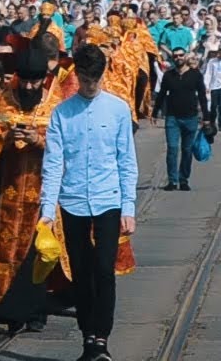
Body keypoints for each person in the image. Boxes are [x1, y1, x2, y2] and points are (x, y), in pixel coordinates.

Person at [40, 44, 137, 361]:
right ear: (77, 76)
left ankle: (102, 338)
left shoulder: (118, 109)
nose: (90, 85)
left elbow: (126, 161)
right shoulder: (62, 113)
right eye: (85, 79)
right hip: (73, 201)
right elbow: (53, 164)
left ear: (102, 75)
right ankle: (88, 337)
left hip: (108, 200)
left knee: (104, 270)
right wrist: (47, 211)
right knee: (80, 273)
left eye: (95, 79)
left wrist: (129, 208)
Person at [0, 47, 62, 328]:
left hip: (43, 191)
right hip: (9, 189)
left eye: (34, 82)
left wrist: (38, 140)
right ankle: (5, 306)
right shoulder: (6, 101)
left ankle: (35, 310)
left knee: (38, 249)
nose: (29, 87)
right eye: (25, 81)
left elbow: (66, 147)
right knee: (6, 246)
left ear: (44, 79)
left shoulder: (55, 104)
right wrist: (7, 139)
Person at [153, 51, 209, 192]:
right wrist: (155, 112)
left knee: (187, 150)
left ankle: (183, 179)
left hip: (190, 118)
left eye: (181, 55)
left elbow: (202, 96)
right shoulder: (168, 75)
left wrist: (206, 117)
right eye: (175, 56)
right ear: (173, 58)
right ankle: (172, 180)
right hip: (172, 118)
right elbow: (161, 94)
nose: (178, 58)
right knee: (172, 148)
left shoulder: (195, 75)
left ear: (185, 57)